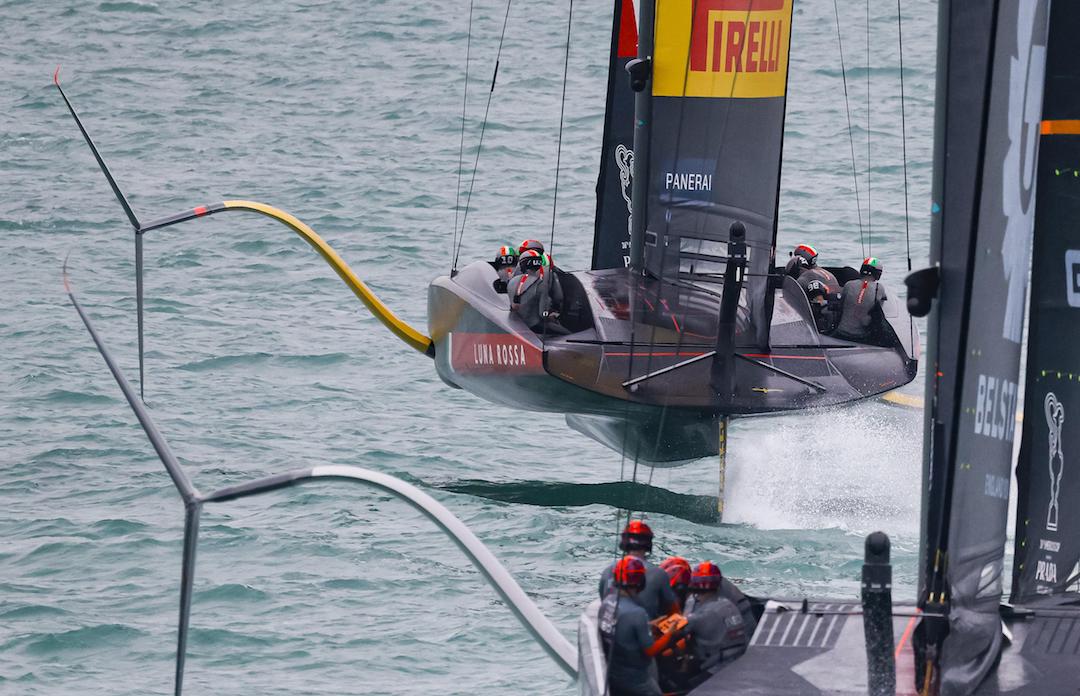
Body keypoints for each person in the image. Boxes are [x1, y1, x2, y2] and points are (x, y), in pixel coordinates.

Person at [598, 556, 685, 696]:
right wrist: (671, 634)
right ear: (640, 581)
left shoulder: (608, 602)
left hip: (613, 672)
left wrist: (650, 625)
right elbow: (650, 651)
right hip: (635, 679)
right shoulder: (637, 612)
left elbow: (622, 627)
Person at [682, 562, 749, 684]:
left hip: (718, 668)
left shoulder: (701, 615)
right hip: (738, 660)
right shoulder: (728, 604)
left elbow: (675, 632)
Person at [599, 521, 679, 620]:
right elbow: (673, 611)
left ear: (624, 542)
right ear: (648, 543)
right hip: (645, 631)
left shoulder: (607, 571)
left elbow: (603, 600)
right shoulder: (658, 574)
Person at [784, 244, 840, 331]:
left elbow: (794, 299)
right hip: (835, 318)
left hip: (820, 322)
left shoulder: (805, 276)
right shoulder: (827, 273)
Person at [509, 249, 566, 334]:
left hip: (515, 325)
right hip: (535, 326)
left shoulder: (511, 281)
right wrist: (552, 315)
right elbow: (542, 314)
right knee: (568, 333)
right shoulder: (542, 284)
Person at [833, 256, 887, 342]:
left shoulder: (848, 285)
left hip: (840, 333)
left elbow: (840, 306)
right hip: (861, 336)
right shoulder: (879, 288)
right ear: (878, 274)